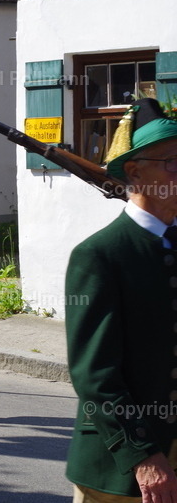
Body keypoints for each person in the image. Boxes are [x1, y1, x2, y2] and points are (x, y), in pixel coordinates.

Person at [65, 97, 177, 501]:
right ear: (135, 172)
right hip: (120, 468)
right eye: (173, 162)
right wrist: (143, 456)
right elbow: (95, 376)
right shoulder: (100, 254)